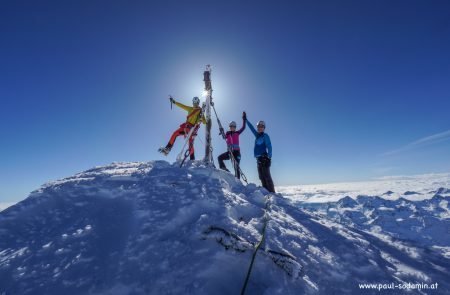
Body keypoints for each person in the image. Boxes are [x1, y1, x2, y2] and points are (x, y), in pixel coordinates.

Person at [245, 118, 275, 193]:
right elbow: (251, 128)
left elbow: (269, 146)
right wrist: (246, 120)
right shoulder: (257, 135)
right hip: (258, 159)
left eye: (261, 126)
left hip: (264, 158)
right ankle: (266, 192)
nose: (259, 128)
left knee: (267, 176)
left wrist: (269, 157)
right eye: (258, 126)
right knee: (261, 177)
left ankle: (272, 193)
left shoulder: (265, 136)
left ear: (264, 128)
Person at [218, 112, 246, 178]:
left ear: (235, 127)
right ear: (229, 127)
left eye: (233, 126)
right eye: (231, 126)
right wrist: (222, 132)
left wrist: (244, 119)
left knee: (236, 167)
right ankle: (225, 170)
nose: (232, 127)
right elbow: (224, 137)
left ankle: (238, 181)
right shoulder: (227, 134)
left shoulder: (237, 133)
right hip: (230, 152)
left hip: (237, 153)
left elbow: (243, 127)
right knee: (219, 158)